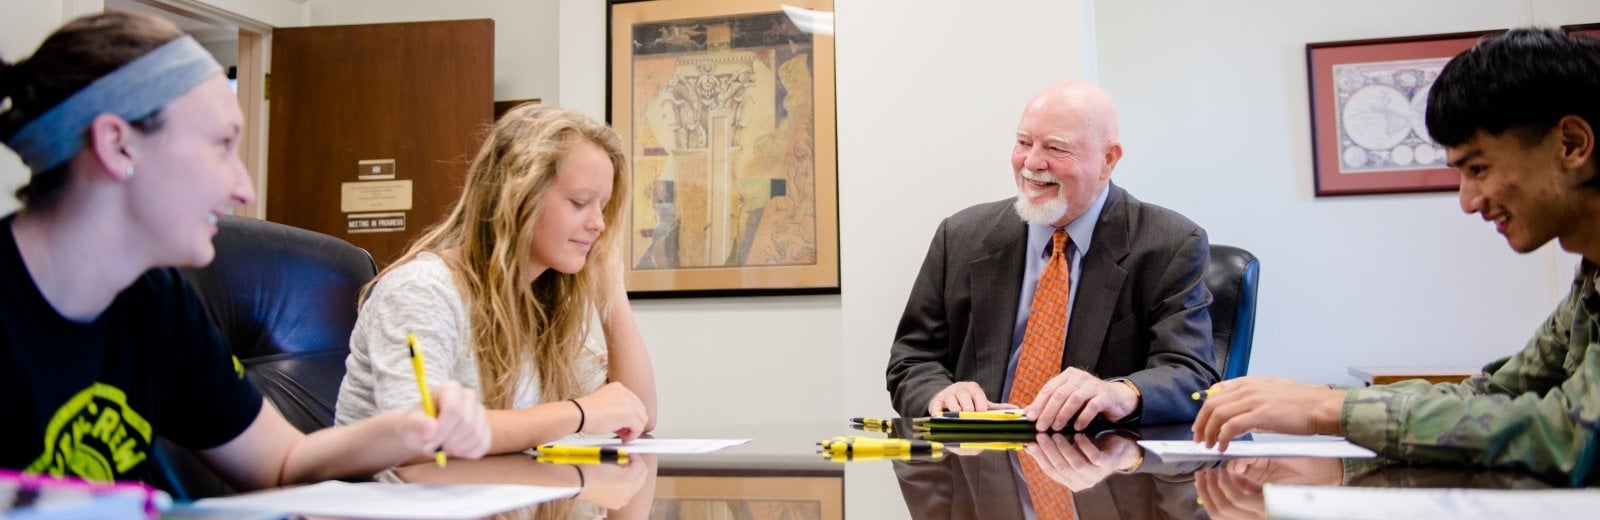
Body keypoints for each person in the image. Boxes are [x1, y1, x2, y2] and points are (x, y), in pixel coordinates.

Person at [0, 12, 491, 488]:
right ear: (118, 144)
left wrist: (406, 429)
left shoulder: (158, 302)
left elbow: (281, 462)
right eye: (221, 144)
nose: (244, 189)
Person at [1192, 27, 1600, 485]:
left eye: (1478, 168)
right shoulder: (1591, 278)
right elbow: (1492, 395)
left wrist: (1329, 409)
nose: (1468, 200)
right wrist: (1314, 397)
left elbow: (1571, 435)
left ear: (1571, 145)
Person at [886, 80, 1219, 431]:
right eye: (1023, 143)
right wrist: (939, 393)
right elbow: (912, 359)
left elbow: (1192, 374)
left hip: (1098, 468)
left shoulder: (1169, 244)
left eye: (1057, 149)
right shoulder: (961, 236)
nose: (1031, 162)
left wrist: (1122, 392)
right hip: (979, 460)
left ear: (1108, 160)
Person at [335, 104, 657, 453]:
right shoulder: (423, 289)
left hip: (494, 500)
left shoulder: (536, 302)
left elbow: (636, 413)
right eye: (580, 202)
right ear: (518, 197)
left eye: (603, 206)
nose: (599, 223)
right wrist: (577, 413)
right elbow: (420, 436)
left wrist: (611, 289)